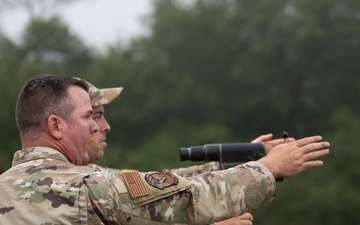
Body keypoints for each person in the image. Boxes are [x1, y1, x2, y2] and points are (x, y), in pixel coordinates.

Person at [0, 74, 330, 224]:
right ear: (56, 126)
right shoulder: (84, 188)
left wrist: (228, 165)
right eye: (89, 116)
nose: (97, 126)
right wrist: (269, 168)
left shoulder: (8, 188)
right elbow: (183, 198)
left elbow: (143, 183)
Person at [86, 80, 258, 225]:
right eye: (95, 116)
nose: (105, 126)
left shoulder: (89, 174)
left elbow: (157, 183)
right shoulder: (77, 184)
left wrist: (240, 159)